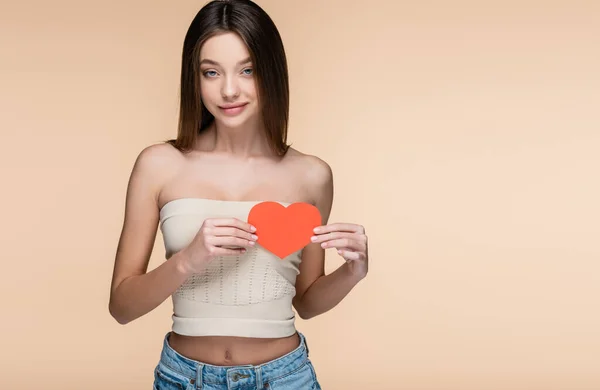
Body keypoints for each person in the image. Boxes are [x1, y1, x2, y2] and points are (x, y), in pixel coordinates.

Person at [108, 1, 369, 388]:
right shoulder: (158, 165)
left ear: (272, 72)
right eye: (211, 72)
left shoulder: (312, 175)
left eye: (247, 70)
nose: (229, 90)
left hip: (285, 378)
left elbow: (307, 302)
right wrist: (188, 260)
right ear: (193, 79)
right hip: (185, 377)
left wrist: (353, 272)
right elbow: (122, 307)